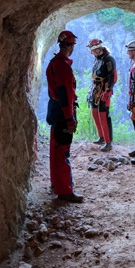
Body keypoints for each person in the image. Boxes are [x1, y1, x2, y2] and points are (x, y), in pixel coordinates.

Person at [45, 30, 83, 203]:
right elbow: (65, 93)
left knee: (56, 148)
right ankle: (65, 190)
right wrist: (70, 118)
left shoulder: (54, 63)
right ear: (69, 46)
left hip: (54, 109)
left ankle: (56, 183)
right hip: (62, 111)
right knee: (63, 151)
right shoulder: (62, 66)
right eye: (73, 45)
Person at [87, 38, 117, 152]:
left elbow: (113, 76)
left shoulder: (108, 60)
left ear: (100, 48)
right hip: (96, 89)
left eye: (96, 49)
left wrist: (108, 91)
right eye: (93, 50)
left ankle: (108, 142)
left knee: (103, 114)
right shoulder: (97, 60)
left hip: (104, 90)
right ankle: (101, 137)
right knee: (95, 112)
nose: (94, 51)